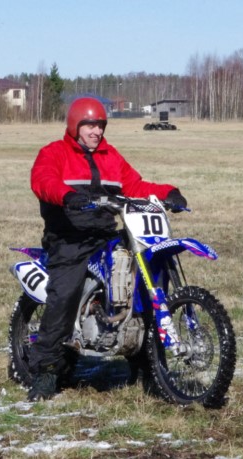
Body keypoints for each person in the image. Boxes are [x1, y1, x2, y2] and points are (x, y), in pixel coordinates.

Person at [26, 97, 186, 401]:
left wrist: (169, 192)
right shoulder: (54, 153)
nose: (96, 131)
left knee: (142, 283)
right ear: (75, 126)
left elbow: (135, 186)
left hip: (104, 235)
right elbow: (43, 180)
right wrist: (67, 196)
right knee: (65, 294)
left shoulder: (110, 156)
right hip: (68, 237)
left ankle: (146, 362)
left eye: (100, 125)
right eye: (90, 125)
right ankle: (46, 370)